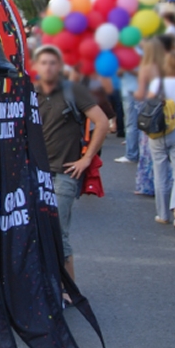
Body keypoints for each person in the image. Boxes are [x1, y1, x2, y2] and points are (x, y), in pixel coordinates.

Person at [33, 45, 110, 282]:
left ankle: (69, 288)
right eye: (43, 63)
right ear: (36, 66)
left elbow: (102, 122)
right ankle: (44, 285)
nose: (48, 67)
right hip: (35, 173)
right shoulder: (30, 92)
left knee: (58, 232)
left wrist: (86, 159)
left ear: (60, 66)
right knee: (36, 231)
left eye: (53, 63)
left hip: (64, 174)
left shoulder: (73, 91)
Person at [147, 50, 175, 227]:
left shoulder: (158, 83)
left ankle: (163, 213)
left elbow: (149, 104)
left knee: (160, 173)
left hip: (158, 131)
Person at [134, 38, 168, 195]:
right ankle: (166, 185)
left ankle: (148, 184)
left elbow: (141, 94)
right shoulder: (167, 66)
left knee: (148, 149)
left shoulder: (146, 68)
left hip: (149, 109)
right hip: (167, 109)